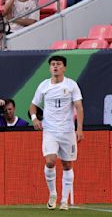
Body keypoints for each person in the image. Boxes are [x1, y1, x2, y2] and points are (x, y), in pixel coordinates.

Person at [29, 55, 84, 211]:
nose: (55, 67)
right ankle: (53, 194)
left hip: (67, 131)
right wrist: (34, 119)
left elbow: (79, 107)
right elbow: (32, 106)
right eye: (53, 64)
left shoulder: (71, 85)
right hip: (50, 131)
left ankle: (64, 200)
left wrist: (79, 129)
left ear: (64, 68)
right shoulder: (44, 86)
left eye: (58, 64)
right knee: (50, 161)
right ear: (49, 68)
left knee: (67, 164)